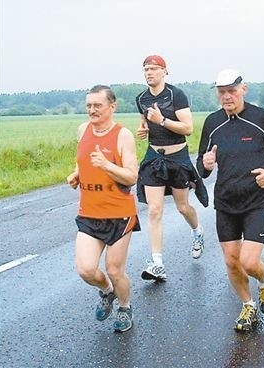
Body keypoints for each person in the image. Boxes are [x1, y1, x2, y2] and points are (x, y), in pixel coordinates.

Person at [196, 69, 264, 332]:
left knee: (249, 262)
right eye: (221, 92)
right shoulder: (212, 122)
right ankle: (248, 304)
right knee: (231, 261)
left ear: (243, 89)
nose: (226, 96)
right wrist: (205, 165)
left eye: (231, 91)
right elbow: (202, 165)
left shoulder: (261, 118)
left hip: (256, 199)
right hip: (225, 200)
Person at [67, 85, 139, 333]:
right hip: (89, 212)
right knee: (86, 269)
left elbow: (131, 177)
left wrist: (107, 165)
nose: (92, 110)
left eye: (97, 105)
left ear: (112, 106)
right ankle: (107, 291)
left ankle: (125, 307)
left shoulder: (123, 135)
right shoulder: (83, 130)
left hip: (119, 214)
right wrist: (76, 174)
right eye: (88, 105)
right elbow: (84, 160)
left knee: (115, 269)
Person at [136, 55, 207, 283]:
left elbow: (188, 128)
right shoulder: (141, 98)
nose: (149, 73)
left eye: (154, 69)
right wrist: (144, 129)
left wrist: (162, 120)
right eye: (146, 69)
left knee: (183, 207)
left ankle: (198, 232)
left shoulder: (176, 94)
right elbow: (144, 122)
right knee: (155, 210)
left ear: (165, 71)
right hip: (154, 156)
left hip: (177, 156)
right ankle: (158, 263)